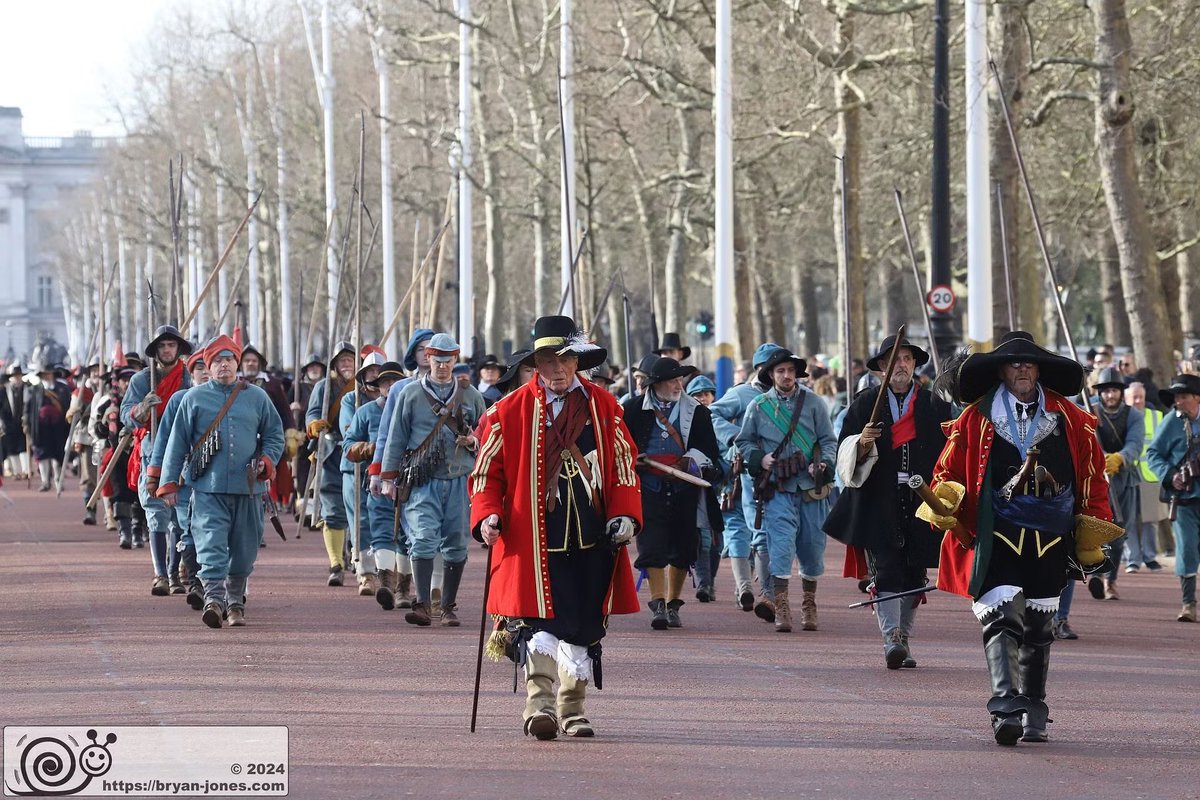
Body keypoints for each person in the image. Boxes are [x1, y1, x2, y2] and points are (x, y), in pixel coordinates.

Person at [925, 331, 1115, 745]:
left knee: (1039, 628)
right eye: (1014, 363)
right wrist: (945, 499)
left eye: (1029, 363)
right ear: (1001, 371)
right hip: (998, 532)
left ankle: (1034, 709)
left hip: (1052, 535)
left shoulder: (1072, 419)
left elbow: (1092, 475)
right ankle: (1005, 707)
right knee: (1002, 616)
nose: (1023, 369)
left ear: (1039, 369)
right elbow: (947, 471)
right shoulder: (975, 417)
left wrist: (1095, 522)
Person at [470, 315, 642, 740]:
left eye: (565, 359)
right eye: (548, 360)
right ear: (535, 365)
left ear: (577, 361)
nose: (557, 369)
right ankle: (539, 706)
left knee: (583, 621)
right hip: (533, 536)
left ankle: (573, 708)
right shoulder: (506, 411)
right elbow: (486, 476)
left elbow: (623, 466)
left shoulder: (605, 407)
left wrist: (625, 513)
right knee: (538, 620)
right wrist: (487, 515)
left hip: (592, 533)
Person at [824, 335, 951, 669]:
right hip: (878, 500)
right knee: (887, 569)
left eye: (907, 359)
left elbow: (950, 448)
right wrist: (861, 443)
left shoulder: (933, 404)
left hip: (922, 500)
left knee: (914, 571)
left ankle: (905, 638)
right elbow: (844, 453)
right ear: (882, 367)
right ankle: (891, 638)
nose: (902, 366)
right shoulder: (866, 403)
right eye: (895, 360)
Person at [153, 335, 285, 628]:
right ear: (208, 366)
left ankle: (236, 603)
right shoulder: (193, 399)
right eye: (217, 361)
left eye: (229, 360)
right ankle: (213, 600)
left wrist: (266, 460)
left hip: (248, 489)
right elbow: (176, 444)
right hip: (206, 489)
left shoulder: (257, 397)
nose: (224, 365)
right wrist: (168, 483)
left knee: (245, 549)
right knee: (210, 544)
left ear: (237, 364)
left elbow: (275, 435)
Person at [379, 333, 485, 627]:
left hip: (459, 479)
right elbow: (396, 436)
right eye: (437, 360)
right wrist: (388, 477)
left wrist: (473, 441)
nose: (441, 366)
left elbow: (486, 431)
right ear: (428, 360)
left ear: (455, 361)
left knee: (456, 543)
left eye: (447, 361)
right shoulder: (410, 394)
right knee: (423, 539)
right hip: (421, 480)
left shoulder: (471, 395)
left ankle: (447, 606)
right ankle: (422, 604)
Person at [736, 348, 836, 632]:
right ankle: (781, 607)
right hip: (777, 489)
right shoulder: (758, 406)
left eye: (790, 371)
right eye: (780, 371)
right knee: (780, 546)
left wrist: (824, 463)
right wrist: (759, 458)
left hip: (811, 489)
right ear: (771, 374)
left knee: (813, 548)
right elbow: (743, 442)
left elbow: (829, 440)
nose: (786, 375)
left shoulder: (814, 403)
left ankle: (809, 603)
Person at [623, 358, 722, 630]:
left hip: (684, 486)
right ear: (657, 384)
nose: (679, 385)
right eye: (673, 380)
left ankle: (674, 602)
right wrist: (635, 459)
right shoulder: (632, 409)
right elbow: (620, 446)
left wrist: (689, 461)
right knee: (651, 545)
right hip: (648, 487)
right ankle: (658, 603)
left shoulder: (698, 412)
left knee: (684, 546)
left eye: (680, 380)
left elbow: (709, 450)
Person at [710, 343, 784, 617]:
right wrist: (735, 436)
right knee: (742, 529)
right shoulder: (741, 393)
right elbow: (712, 413)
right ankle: (748, 588)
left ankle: (755, 589)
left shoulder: (785, 397)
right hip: (741, 472)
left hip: (773, 472)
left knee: (755, 531)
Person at [121, 325, 194, 596]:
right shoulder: (141, 380)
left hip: (183, 452)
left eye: (171, 345)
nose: (167, 350)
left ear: (178, 349)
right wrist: (142, 409)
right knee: (156, 514)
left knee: (179, 515)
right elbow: (126, 414)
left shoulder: (188, 379)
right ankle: (160, 574)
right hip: (152, 451)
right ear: (156, 350)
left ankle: (175, 573)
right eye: (162, 346)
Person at [344, 361, 409, 610]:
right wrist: (368, 448)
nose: (390, 387)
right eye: (385, 383)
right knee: (381, 530)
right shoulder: (366, 412)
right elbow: (348, 446)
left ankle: (403, 588)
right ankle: (385, 581)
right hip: (377, 480)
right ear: (378, 386)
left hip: (409, 481)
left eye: (395, 382)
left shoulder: (413, 407)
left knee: (406, 535)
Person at [147, 351, 210, 601]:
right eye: (199, 368)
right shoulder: (179, 399)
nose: (206, 372)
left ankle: (222, 585)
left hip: (222, 480)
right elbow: (164, 441)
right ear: (191, 374)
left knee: (218, 531)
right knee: (188, 528)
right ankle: (196, 583)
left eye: (210, 366)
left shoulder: (238, 396)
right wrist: (158, 476)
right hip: (186, 478)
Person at [1147, 373, 1200, 622]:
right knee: (1187, 549)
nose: (1178, 401)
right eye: (1176, 397)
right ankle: (1189, 604)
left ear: (1197, 399)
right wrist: (1170, 476)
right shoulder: (1172, 422)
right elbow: (1153, 454)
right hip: (1185, 498)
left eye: (1183, 397)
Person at [305, 341, 357, 586]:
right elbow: (313, 413)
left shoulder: (365, 385)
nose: (346, 364)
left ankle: (360, 559)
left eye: (350, 359)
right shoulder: (324, 387)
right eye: (342, 360)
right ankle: (336, 563)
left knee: (361, 509)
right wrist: (315, 423)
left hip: (360, 453)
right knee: (333, 508)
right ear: (335, 364)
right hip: (332, 453)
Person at [1090, 367, 1144, 600]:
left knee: (1119, 534)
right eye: (1105, 391)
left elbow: (1135, 443)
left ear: (1121, 392)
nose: (1110, 395)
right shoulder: (1090, 410)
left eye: (1114, 390)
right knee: (1094, 529)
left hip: (1123, 479)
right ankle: (1096, 574)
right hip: (1095, 479)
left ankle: (1111, 581)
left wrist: (1120, 458)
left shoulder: (1134, 415)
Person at [340, 351, 386, 596]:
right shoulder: (351, 400)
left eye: (382, 375)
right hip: (356, 470)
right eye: (372, 374)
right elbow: (349, 432)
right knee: (360, 523)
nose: (377, 379)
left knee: (385, 522)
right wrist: (374, 447)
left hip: (386, 472)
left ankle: (387, 571)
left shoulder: (396, 400)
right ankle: (365, 572)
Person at [686, 374, 722, 602]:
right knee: (703, 536)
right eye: (697, 395)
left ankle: (709, 580)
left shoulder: (721, 417)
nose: (702, 398)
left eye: (706, 394)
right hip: (696, 485)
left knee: (718, 539)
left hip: (722, 488)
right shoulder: (688, 421)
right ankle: (704, 583)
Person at [1124, 382, 1165, 572]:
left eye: (1141, 396)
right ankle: (1133, 558)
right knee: (1129, 519)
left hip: (1151, 475)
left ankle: (1150, 557)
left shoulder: (1157, 417)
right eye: (1135, 397)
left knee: (1151, 519)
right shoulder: (1121, 417)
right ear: (1126, 399)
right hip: (1128, 475)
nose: (1139, 401)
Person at [25, 364, 72, 492]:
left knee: (57, 454)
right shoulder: (34, 390)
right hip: (41, 428)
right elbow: (28, 409)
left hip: (58, 428)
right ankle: (45, 481)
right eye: (44, 374)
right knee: (42, 454)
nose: (46, 376)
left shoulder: (63, 389)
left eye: (48, 373)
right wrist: (27, 423)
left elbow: (68, 406)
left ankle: (58, 480)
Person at [1, 363, 31, 479]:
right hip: (8, 423)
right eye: (14, 376)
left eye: (18, 376)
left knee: (23, 446)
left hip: (23, 422)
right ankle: (16, 472)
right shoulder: (3, 391)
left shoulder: (27, 389)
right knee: (11, 448)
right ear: (10, 377)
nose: (17, 378)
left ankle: (26, 470)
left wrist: (27, 418)